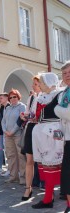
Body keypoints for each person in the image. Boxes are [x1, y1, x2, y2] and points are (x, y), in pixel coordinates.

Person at [31, 73, 63, 209]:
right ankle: (48, 197)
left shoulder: (59, 95)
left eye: (42, 82)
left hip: (54, 133)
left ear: (50, 83)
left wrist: (59, 138)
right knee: (46, 164)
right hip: (42, 135)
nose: (40, 85)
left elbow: (63, 118)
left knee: (54, 162)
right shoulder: (41, 97)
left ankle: (49, 198)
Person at [20, 75, 41, 201]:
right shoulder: (32, 97)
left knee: (44, 160)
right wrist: (24, 116)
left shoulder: (46, 96)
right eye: (33, 83)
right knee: (29, 159)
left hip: (42, 128)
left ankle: (47, 187)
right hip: (31, 128)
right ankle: (28, 188)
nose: (33, 85)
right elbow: (27, 113)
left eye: (35, 83)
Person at [54, 61, 70, 213]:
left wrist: (57, 109)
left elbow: (67, 113)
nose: (67, 76)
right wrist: (59, 133)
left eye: (69, 72)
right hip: (67, 138)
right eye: (64, 73)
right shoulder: (65, 92)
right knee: (67, 174)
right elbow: (62, 119)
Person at [2, 89, 26, 184]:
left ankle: (23, 178)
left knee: (21, 156)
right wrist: (5, 131)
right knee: (11, 156)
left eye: (14, 97)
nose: (12, 99)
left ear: (18, 97)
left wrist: (12, 131)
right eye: (10, 97)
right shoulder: (7, 108)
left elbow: (21, 121)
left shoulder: (22, 106)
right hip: (8, 136)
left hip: (18, 134)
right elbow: (3, 121)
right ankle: (13, 176)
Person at [0, 93, 10, 176]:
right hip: (1, 132)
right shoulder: (1, 107)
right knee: (0, 150)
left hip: (7, 132)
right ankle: (0, 168)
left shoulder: (9, 107)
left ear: (6, 98)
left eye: (1, 98)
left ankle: (9, 169)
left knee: (8, 151)